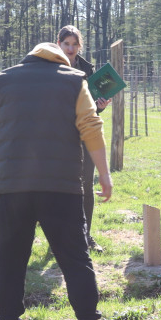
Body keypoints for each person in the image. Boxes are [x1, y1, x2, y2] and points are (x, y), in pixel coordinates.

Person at [0, 42, 115, 320]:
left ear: (29, 59)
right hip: (62, 188)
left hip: (14, 186)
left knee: (10, 261)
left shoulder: (3, 81)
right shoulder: (74, 82)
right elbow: (91, 126)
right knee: (75, 261)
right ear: (60, 60)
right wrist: (104, 174)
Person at [57, 25, 111, 252]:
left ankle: (85, 236)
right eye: (66, 44)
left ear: (80, 46)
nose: (70, 48)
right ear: (58, 44)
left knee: (86, 184)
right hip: (58, 136)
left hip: (85, 135)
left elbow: (92, 110)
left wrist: (100, 107)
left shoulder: (89, 71)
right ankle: (59, 237)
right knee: (60, 187)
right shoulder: (50, 67)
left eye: (74, 44)